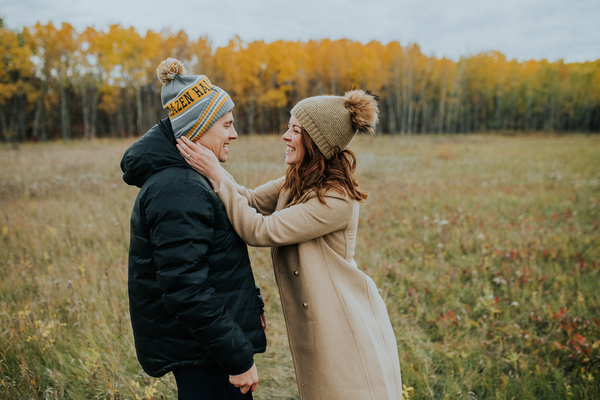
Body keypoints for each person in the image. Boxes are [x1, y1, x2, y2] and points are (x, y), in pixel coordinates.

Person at [176, 90, 403, 399]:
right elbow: (251, 200)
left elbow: (259, 230)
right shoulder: (296, 180)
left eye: (296, 130)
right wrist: (210, 170)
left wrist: (216, 174)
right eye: (289, 126)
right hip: (323, 321)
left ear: (317, 142)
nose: (285, 136)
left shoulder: (336, 199)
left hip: (344, 325)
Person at [120, 58, 267, 400]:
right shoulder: (179, 189)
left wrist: (250, 309)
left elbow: (212, 268)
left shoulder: (190, 180)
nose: (234, 134)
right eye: (227, 125)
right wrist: (237, 356)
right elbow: (187, 289)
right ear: (199, 128)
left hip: (207, 348)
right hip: (207, 356)